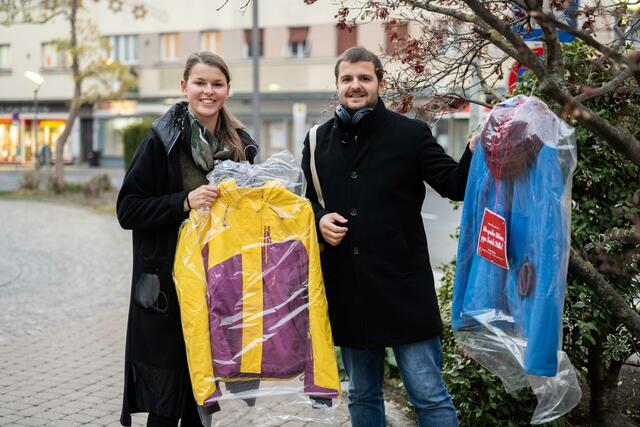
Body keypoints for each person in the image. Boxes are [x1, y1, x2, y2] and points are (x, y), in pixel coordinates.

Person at [301, 46, 476, 427]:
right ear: (337, 85)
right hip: (349, 287)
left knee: (429, 396)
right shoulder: (317, 140)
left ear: (380, 82)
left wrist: (474, 151)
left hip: (403, 288)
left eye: (364, 77)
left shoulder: (411, 134)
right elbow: (308, 201)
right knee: (362, 395)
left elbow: (454, 184)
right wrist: (318, 220)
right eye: (347, 78)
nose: (355, 85)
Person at [116, 51, 258, 427]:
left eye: (216, 84)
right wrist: (183, 201)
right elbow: (128, 209)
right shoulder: (161, 139)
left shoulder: (243, 146)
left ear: (228, 90)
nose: (208, 91)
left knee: (201, 402)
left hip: (217, 289)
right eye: (200, 83)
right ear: (184, 87)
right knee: (165, 405)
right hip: (168, 290)